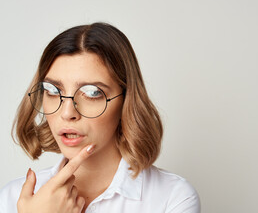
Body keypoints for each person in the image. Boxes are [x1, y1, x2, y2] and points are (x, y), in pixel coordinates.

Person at [0, 22, 201, 213]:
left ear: (126, 101)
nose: (67, 112)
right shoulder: (13, 198)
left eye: (92, 93)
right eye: (52, 91)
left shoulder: (172, 198)